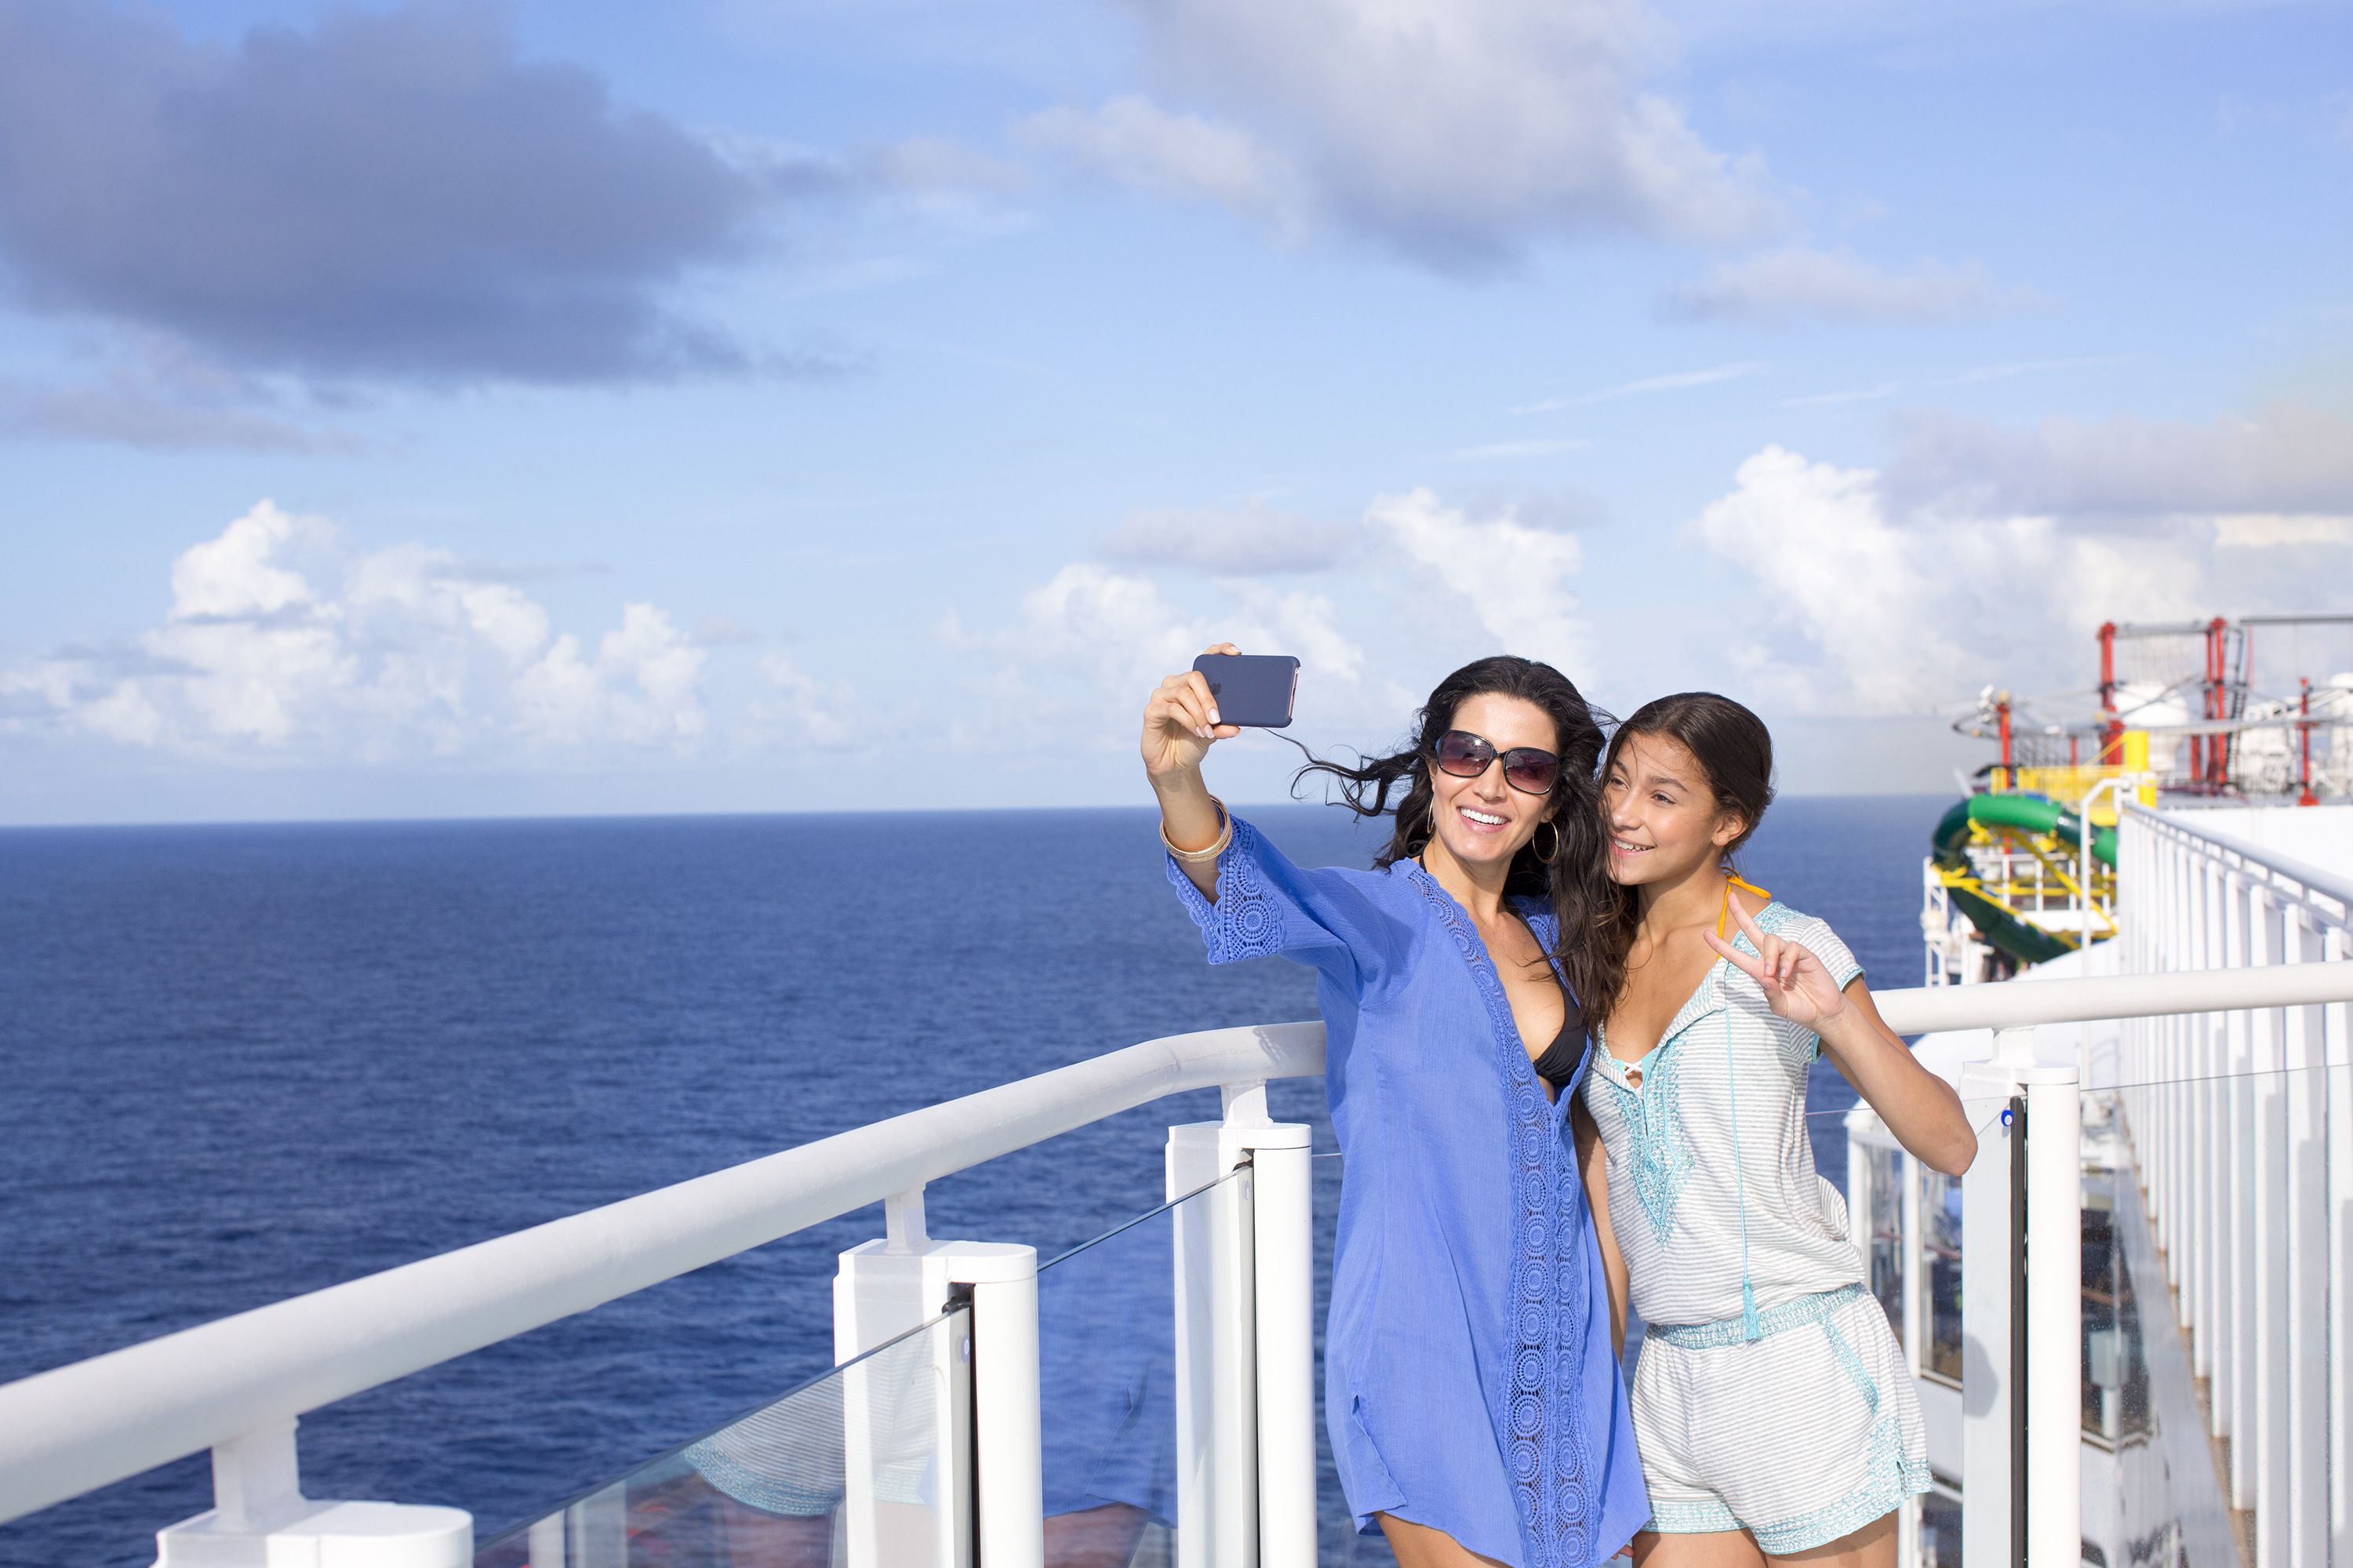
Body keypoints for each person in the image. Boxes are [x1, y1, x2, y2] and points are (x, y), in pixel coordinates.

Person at [1146, 645, 1649, 1568]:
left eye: (1525, 766)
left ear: (1549, 799)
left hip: (1564, 1358)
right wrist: (1177, 776)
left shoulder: (1561, 936)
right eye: (1467, 753)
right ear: (1432, 763)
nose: (1490, 782)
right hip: (1423, 1354)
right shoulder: (1375, 918)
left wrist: (1604, 1343)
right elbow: (1239, 883)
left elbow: (1587, 1150)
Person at [1574, 693, 1977, 1568]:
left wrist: (1835, 1019)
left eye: (1663, 795)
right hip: (1671, 1377)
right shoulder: (1600, 953)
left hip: (1798, 1366)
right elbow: (1604, 1195)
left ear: (1730, 821)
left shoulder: (1790, 946)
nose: (1625, 813)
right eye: (1617, 782)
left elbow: (1953, 1143)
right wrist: (1590, 1393)